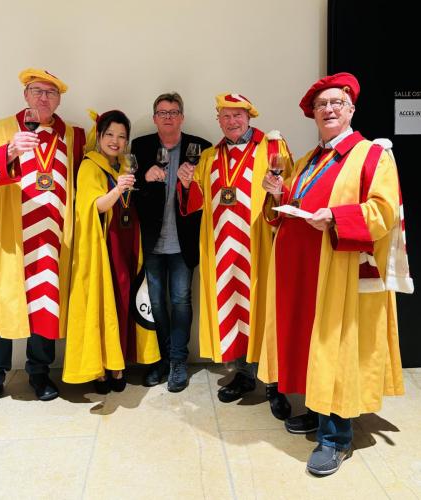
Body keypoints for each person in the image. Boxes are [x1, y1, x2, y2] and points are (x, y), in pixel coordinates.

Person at [260, 72, 412, 475]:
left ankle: (336, 438)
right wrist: (276, 197)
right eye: (321, 105)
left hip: (339, 271)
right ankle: (316, 411)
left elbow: (383, 212)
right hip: (304, 272)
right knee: (312, 345)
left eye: (335, 103)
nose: (328, 109)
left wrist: (335, 218)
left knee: (334, 346)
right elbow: (286, 209)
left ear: (350, 110)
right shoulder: (310, 159)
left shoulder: (373, 155)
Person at [0, 68, 85, 413]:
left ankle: (39, 373)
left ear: (59, 99)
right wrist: (8, 152)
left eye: (50, 93)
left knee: (46, 307)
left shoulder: (74, 136)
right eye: (37, 91)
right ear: (25, 95)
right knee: (1, 303)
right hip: (13, 239)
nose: (43, 98)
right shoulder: (2, 129)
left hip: (52, 241)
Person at [177, 93, 292, 420]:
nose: (232, 121)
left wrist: (280, 191)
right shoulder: (210, 156)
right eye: (225, 116)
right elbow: (195, 202)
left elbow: (291, 191)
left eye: (237, 115)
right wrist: (186, 184)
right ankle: (244, 373)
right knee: (236, 313)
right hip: (223, 251)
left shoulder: (272, 148)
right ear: (218, 120)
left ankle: (275, 383)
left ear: (249, 116)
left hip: (260, 247)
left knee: (265, 311)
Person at [63, 110, 160, 392]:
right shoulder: (90, 166)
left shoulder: (123, 166)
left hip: (126, 244)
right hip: (104, 247)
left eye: (121, 136)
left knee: (122, 303)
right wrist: (118, 189)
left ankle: (117, 367)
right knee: (104, 304)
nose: (115, 141)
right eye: (110, 135)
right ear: (100, 137)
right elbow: (95, 206)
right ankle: (100, 370)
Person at [131, 92, 211, 392]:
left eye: (173, 111)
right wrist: (143, 179)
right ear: (154, 118)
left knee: (180, 301)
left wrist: (193, 186)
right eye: (162, 112)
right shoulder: (139, 147)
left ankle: (178, 361)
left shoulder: (202, 149)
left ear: (182, 117)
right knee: (156, 303)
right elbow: (128, 191)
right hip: (152, 241)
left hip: (183, 243)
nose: (168, 117)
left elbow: (213, 197)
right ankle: (162, 359)